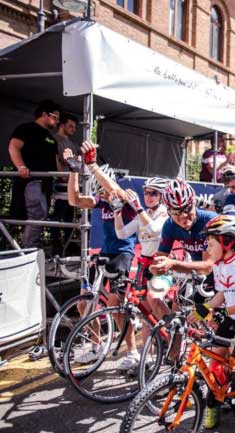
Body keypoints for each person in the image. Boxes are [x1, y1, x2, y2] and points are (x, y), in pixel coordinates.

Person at [176, 215, 235, 432]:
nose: (207, 248)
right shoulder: (218, 265)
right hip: (230, 315)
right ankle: (214, 400)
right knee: (217, 357)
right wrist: (206, 308)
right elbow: (222, 293)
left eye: (211, 243)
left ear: (227, 242)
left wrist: (221, 310)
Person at [66, 142, 141, 369]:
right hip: (105, 253)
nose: (102, 195)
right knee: (84, 303)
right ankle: (97, 346)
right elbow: (75, 200)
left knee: (116, 304)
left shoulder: (126, 199)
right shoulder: (103, 202)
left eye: (103, 190)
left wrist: (92, 165)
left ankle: (133, 352)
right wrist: (74, 171)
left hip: (123, 254)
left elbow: (115, 191)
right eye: (99, 193)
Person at [149, 179, 218, 319]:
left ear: (194, 203)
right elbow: (161, 257)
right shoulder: (169, 225)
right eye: (175, 212)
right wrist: (157, 267)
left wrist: (172, 264)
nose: (183, 216)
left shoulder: (209, 221)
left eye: (187, 209)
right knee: (176, 316)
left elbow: (208, 267)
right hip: (197, 275)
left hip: (221, 277)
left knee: (212, 323)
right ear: (168, 211)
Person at [8, 100, 61, 247]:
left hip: (46, 183)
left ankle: (31, 246)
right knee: (36, 214)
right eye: (55, 117)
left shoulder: (51, 138)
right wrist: (21, 166)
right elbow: (13, 147)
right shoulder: (26, 129)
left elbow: (56, 162)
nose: (57, 121)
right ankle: (29, 248)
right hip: (31, 181)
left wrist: (67, 176)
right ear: (44, 114)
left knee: (41, 215)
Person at [114, 177, 168, 292]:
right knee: (139, 300)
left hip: (158, 263)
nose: (148, 197)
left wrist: (138, 207)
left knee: (154, 300)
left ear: (162, 196)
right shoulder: (144, 213)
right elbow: (122, 234)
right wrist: (117, 212)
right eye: (146, 193)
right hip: (144, 262)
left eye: (153, 193)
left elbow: (154, 230)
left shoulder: (164, 212)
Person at [51, 113, 81, 254]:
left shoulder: (72, 144)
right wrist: (61, 175)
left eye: (75, 127)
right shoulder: (55, 140)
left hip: (71, 182)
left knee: (70, 214)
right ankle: (56, 245)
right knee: (59, 214)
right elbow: (56, 158)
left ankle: (68, 244)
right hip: (61, 182)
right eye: (70, 126)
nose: (73, 129)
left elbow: (76, 161)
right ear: (62, 125)